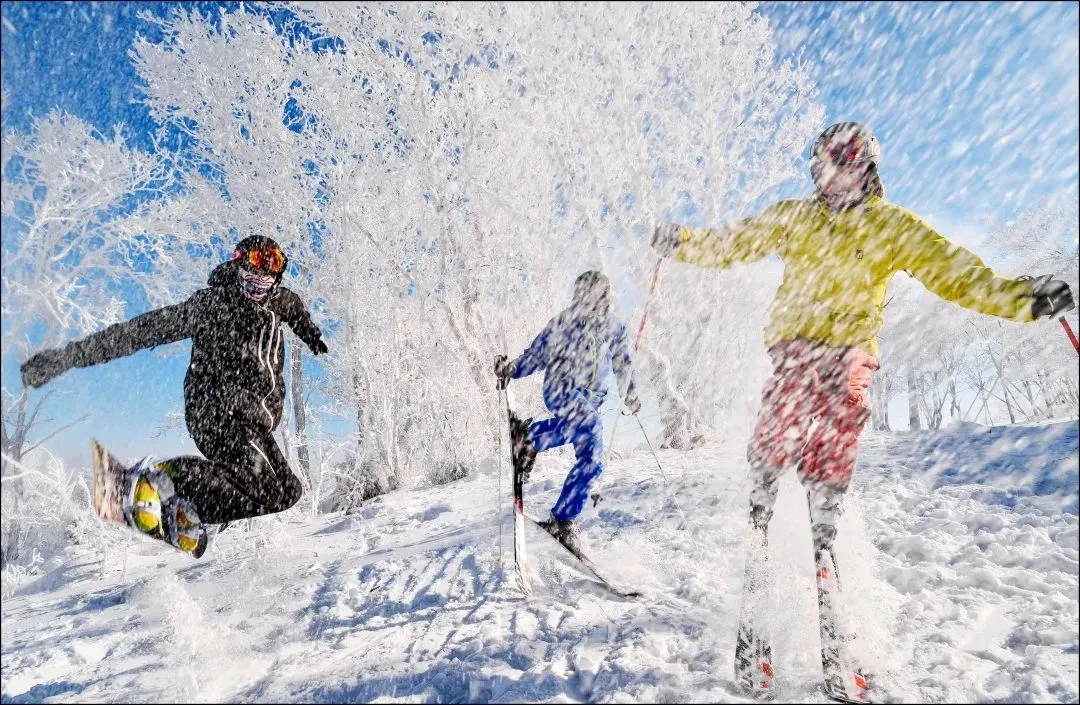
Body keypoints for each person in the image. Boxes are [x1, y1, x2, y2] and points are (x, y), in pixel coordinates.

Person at [651, 121, 1075, 550]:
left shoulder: (891, 227)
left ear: (865, 168)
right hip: (795, 342)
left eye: (840, 162)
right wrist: (683, 242)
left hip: (851, 346)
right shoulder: (794, 217)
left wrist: (1024, 299)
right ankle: (763, 493)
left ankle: (825, 507)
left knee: (848, 405)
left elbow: (956, 274)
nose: (828, 173)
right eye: (821, 163)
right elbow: (733, 243)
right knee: (784, 410)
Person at [20, 235, 329, 555]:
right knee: (264, 486)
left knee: (286, 492)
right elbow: (141, 331)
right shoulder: (213, 305)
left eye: (272, 267)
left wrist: (312, 336)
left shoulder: (281, 301)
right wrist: (65, 358)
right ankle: (145, 483)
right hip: (219, 410)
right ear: (238, 265)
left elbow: (296, 311)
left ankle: (180, 506)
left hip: (255, 420)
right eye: (253, 267)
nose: (261, 278)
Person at [494, 270, 642, 552]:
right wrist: (512, 368)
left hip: (592, 400)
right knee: (590, 424)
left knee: (594, 461)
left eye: (603, 295)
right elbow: (537, 354)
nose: (597, 300)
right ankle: (530, 439)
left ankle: (563, 518)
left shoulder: (614, 327)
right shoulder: (564, 323)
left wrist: (630, 391)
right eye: (591, 294)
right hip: (562, 389)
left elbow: (624, 362)